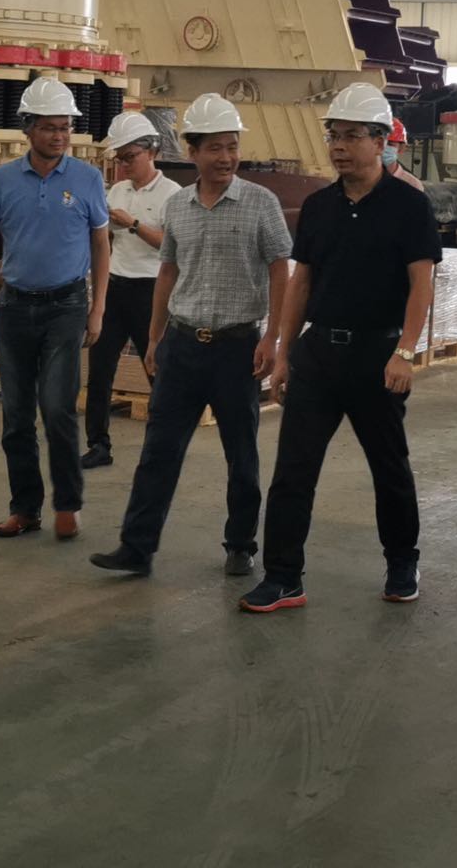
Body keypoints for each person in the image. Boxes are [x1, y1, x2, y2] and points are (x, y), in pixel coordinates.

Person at [238, 82, 441, 614]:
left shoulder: (408, 206)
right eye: (334, 136)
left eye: (352, 136)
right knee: (293, 471)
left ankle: (402, 562)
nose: (339, 147)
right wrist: (285, 353)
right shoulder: (319, 206)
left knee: (389, 467)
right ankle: (283, 577)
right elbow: (301, 282)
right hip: (319, 355)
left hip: (378, 356)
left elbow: (421, 283)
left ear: (381, 141)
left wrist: (406, 352)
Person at [89, 93, 292, 578]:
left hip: (238, 349)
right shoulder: (178, 205)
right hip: (181, 346)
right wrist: (154, 338)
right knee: (158, 451)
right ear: (192, 151)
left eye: (232, 146)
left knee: (241, 454)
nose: (226, 157)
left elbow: (280, 269)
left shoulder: (261, 203)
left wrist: (272, 339)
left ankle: (240, 544)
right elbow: (168, 272)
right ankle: (137, 547)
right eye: (215, 148)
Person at [0, 77, 110, 542]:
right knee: (17, 416)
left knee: (58, 408)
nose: (59, 136)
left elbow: (101, 245)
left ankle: (68, 504)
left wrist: (98, 309)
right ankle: (25, 508)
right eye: (49, 128)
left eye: (65, 128)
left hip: (67, 305)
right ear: (28, 129)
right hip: (15, 309)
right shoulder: (4, 180)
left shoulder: (87, 179)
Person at [82, 112, 182, 469]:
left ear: (151, 151)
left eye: (130, 157)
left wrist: (134, 223)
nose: (124, 166)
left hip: (151, 291)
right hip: (116, 286)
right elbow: (103, 240)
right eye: (120, 159)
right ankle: (98, 444)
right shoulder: (118, 191)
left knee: (157, 369)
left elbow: (172, 248)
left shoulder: (173, 194)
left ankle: (163, 447)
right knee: (99, 370)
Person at [384, 117, 425, 191]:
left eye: (389, 144)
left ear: (401, 148)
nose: (383, 148)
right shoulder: (364, 180)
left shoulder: (412, 185)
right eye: (379, 143)